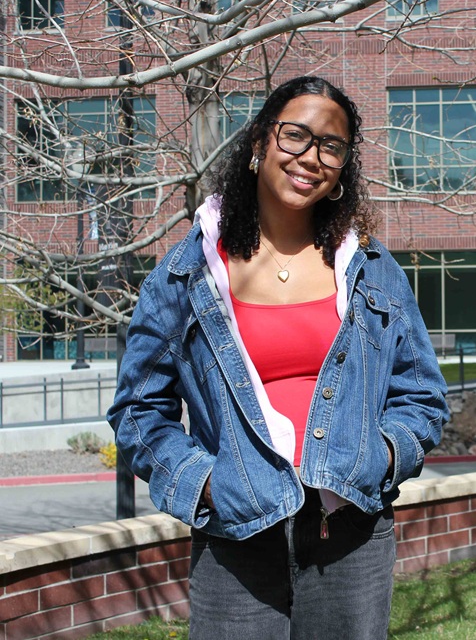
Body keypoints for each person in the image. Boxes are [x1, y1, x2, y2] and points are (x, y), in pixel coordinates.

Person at [107, 76, 449, 639]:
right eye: (296, 136)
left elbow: (422, 396)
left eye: (331, 146)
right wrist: (206, 484)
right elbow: (139, 412)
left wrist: (380, 456)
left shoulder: (371, 268)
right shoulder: (187, 274)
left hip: (350, 534)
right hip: (236, 535)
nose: (310, 158)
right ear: (260, 143)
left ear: (343, 169)